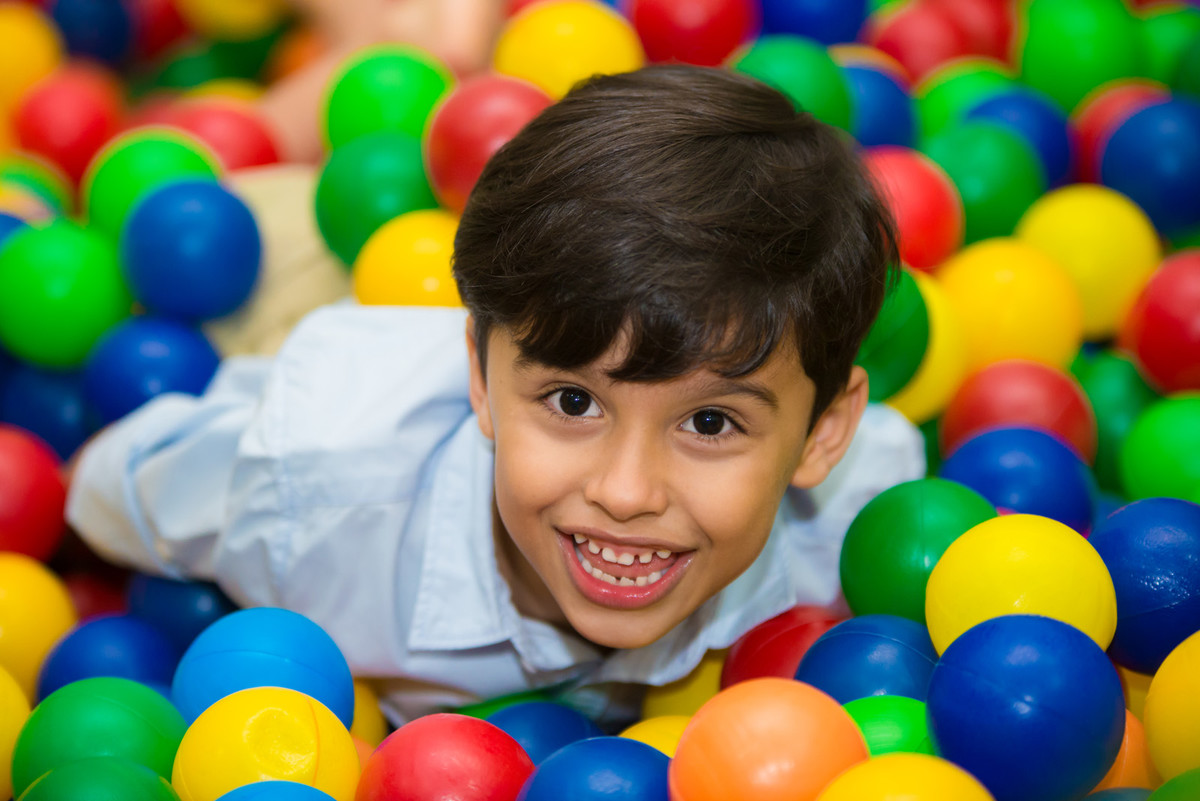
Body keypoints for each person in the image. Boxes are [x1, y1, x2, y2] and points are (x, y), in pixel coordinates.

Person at [66, 65, 924, 727]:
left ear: (823, 432)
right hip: (284, 302)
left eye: (709, 421)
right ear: (480, 374)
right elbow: (111, 480)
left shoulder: (865, 526)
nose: (626, 492)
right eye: (574, 403)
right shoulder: (307, 490)